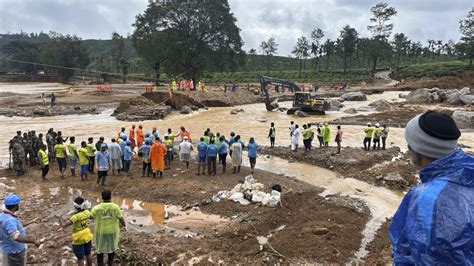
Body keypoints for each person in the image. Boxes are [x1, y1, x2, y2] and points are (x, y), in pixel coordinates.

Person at [390, 111, 474, 264]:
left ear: (419, 150)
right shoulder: (469, 170)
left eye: (410, 144)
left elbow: (424, 255)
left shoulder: (425, 197)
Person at [0, 194, 41, 266]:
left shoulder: (5, 215)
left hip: (8, 249)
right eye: (18, 204)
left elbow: (16, 226)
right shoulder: (10, 220)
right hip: (14, 252)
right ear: (16, 206)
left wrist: (32, 221)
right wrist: (33, 241)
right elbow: (16, 237)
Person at [91, 190, 126, 266]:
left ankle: (100, 263)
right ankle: (110, 262)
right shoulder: (115, 207)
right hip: (112, 231)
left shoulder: (96, 208)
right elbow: (120, 218)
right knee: (112, 246)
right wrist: (124, 225)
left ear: (102, 197)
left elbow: (91, 216)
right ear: (110, 197)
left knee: (99, 247)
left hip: (100, 231)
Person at [58, 197, 93, 266]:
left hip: (78, 239)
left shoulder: (75, 217)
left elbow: (63, 224)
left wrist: (59, 217)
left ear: (75, 206)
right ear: (84, 204)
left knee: (80, 259)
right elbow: (91, 216)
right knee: (88, 254)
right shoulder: (87, 212)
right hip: (87, 236)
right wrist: (89, 208)